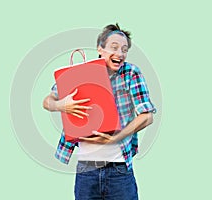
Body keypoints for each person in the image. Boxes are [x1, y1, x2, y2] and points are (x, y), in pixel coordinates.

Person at [43, 23, 156, 200]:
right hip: (86, 170)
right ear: (100, 48)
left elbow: (147, 116)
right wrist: (62, 105)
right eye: (114, 47)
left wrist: (116, 136)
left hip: (119, 169)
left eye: (124, 49)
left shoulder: (131, 73)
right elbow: (47, 101)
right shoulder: (79, 74)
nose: (120, 53)